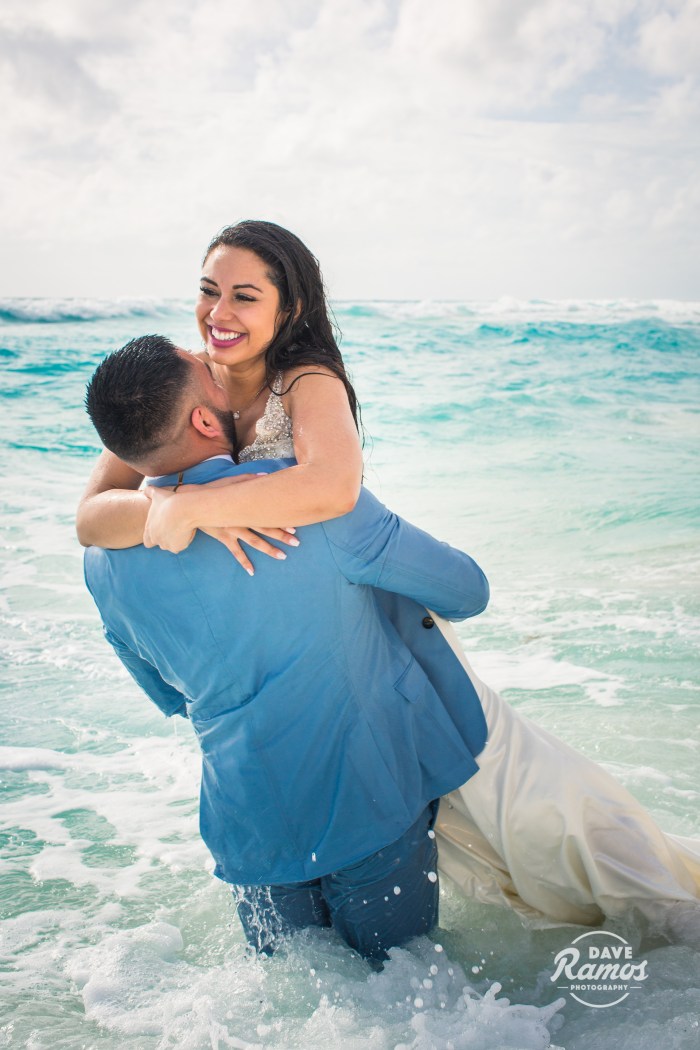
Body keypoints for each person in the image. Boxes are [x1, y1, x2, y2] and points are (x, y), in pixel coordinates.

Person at [83, 335, 492, 963]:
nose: (213, 358)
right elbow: (466, 589)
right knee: (409, 1000)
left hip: (247, 834)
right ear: (201, 417)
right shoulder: (313, 506)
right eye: (207, 370)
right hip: (368, 803)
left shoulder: (103, 563)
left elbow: (167, 694)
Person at [76, 220, 364, 574]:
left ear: (291, 310)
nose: (217, 313)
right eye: (209, 291)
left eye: (243, 297)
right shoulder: (178, 378)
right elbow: (89, 520)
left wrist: (195, 509)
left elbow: (336, 487)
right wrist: (169, 506)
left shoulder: (306, 381)